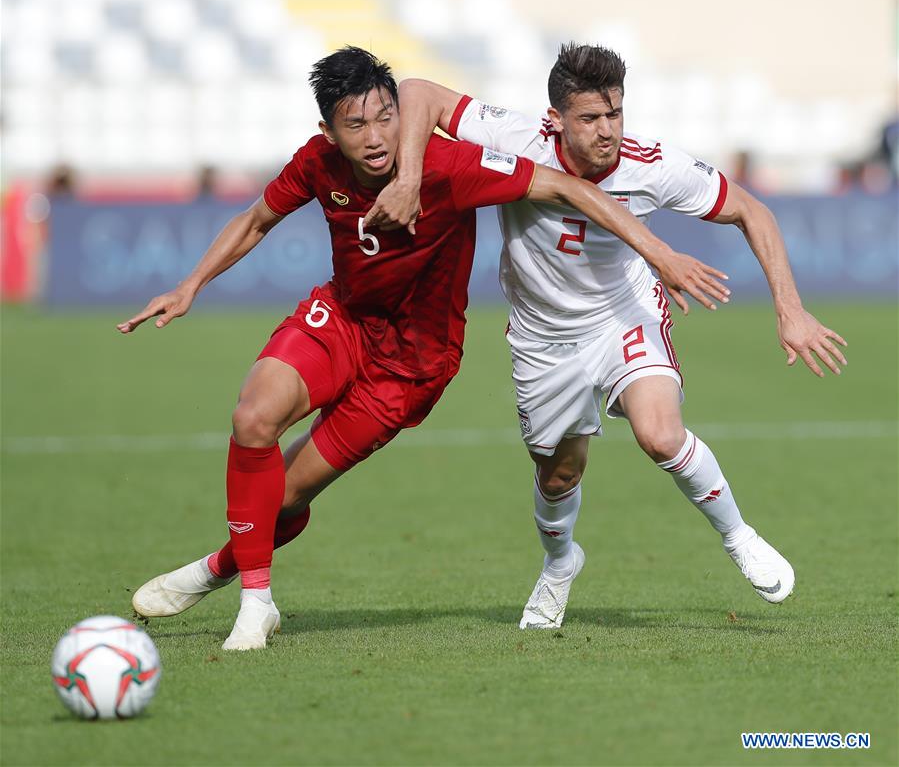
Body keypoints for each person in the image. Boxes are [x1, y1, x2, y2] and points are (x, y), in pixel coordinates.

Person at [118, 46, 728, 650]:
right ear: (327, 131)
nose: (376, 135)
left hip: (410, 366)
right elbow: (255, 220)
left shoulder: (453, 167)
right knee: (252, 417)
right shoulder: (317, 162)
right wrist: (190, 285)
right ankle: (257, 604)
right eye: (354, 124)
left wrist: (660, 253)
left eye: (385, 115)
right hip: (344, 319)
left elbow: (570, 191)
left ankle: (214, 569)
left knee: (285, 495)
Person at [364, 43, 848, 629]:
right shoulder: (517, 139)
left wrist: (789, 309)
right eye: (590, 118)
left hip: (624, 316)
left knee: (660, 434)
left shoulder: (653, 165)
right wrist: (410, 176)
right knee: (559, 473)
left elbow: (753, 211)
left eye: (614, 114)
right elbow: (416, 92)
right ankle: (561, 561)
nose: (607, 131)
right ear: (556, 120)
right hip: (543, 340)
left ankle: (738, 535)